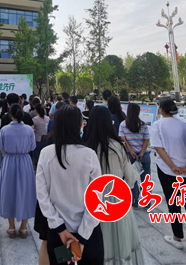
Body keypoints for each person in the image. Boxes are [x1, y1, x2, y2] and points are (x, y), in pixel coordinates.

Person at [37, 105, 103, 265]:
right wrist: (82, 238)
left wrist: (60, 229)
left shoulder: (46, 154)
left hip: (58, 234)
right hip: (89, 233)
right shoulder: (89, 155)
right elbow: (96, 200)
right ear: (79, 125)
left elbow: (42, 196)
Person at [84, 106, 144, 265]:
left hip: (93, 203)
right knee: (120, 243)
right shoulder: (118, 146)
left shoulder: (85, 148)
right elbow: (130, 179)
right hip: (118, 200)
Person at [150, 99, 186, 250]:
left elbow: (159, 149)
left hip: (167, 170)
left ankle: (177, 237)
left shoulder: (157, 125)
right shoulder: (184, 125)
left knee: (173, 203)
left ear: (161, 109)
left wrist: (172, 166)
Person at [0, 104, 37, 239]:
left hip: (9, 161)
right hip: (25, 161)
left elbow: (1, 147)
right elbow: (32, 146)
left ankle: (11, 227)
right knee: (25, 191)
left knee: (9, 191)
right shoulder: (29, 130)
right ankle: (24, 227)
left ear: (10, 115)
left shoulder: (4, 130)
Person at [119, 103, 150, 207]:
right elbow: (146, 140)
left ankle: (134, 200)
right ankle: (146, 201)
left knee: (132, 178)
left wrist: (131, 151)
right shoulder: (143, 125)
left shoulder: (123, 124)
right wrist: (142, 152)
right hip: (144, 155)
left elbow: (123, 140)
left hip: (130, 155)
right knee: (146, 178)